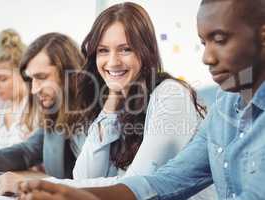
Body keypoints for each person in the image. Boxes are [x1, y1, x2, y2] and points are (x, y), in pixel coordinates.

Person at [18, 0, 265, 199]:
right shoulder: (226, 105)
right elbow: (163, 181)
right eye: (103, 51)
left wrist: (64, 188)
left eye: (125, 49)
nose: (206, 58)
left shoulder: (169, 95)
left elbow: (147, 180)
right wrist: (112, 101)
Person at [0, 32, 86, 196]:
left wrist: (33, 184)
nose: (35, 90)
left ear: (70, 74)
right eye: (31, 80)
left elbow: (106, 184)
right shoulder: (55, 114)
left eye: (41, 77)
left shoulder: (100, 118)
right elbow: (27, 151)